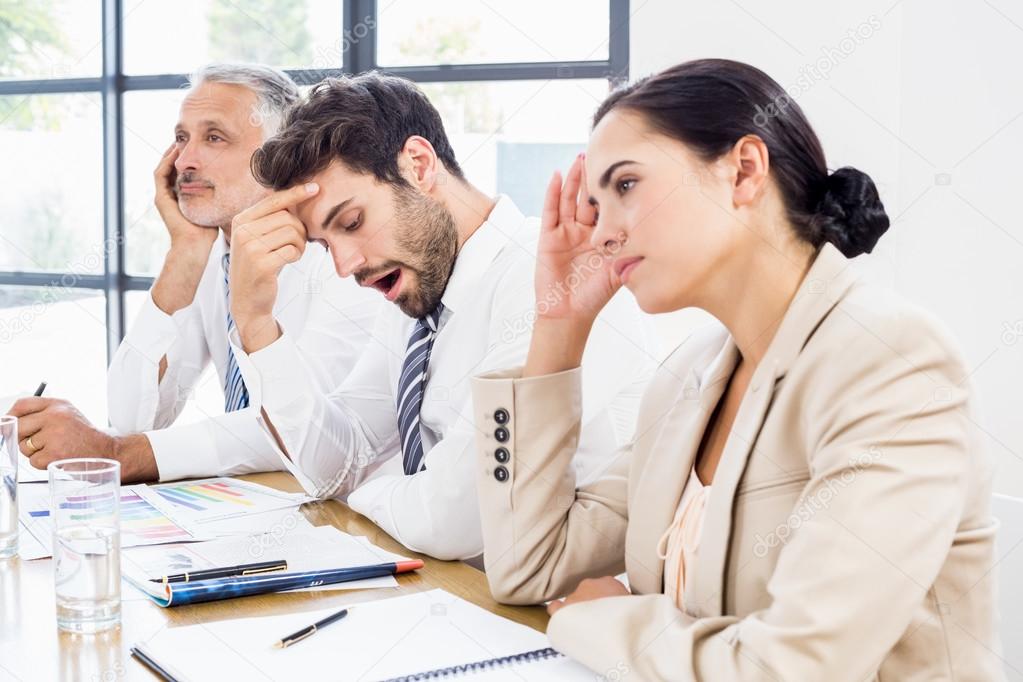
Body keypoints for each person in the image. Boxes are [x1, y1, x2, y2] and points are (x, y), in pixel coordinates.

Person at [469, 59, 1004, 680]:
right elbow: (527, 565)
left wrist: (600, 620)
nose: (603, 234)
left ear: (744, 171)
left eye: (626, 185)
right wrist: (559, 325)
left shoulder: (891, 361)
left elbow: (794, 668)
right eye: (594, 204)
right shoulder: (686, 378)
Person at [227, 72, 657, 560]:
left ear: (418, 164)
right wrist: (255, 322)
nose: (346, 266)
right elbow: (335, 466)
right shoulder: (418, 289)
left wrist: (365, 491)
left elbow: (455, 520)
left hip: (557, 597)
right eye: (325, 245)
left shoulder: (549, 282)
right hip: (458, 590)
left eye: (352, 222)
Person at [11, 64, 379, 483]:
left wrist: (118, 453)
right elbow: (132, 417)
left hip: (349, 508)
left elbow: (301, 429)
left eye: (214, 138)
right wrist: (184, 253)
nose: (184, 160)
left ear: (282, 156)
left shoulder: (341, 255)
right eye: (182, 138)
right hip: (266, 500)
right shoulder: (214, 255)